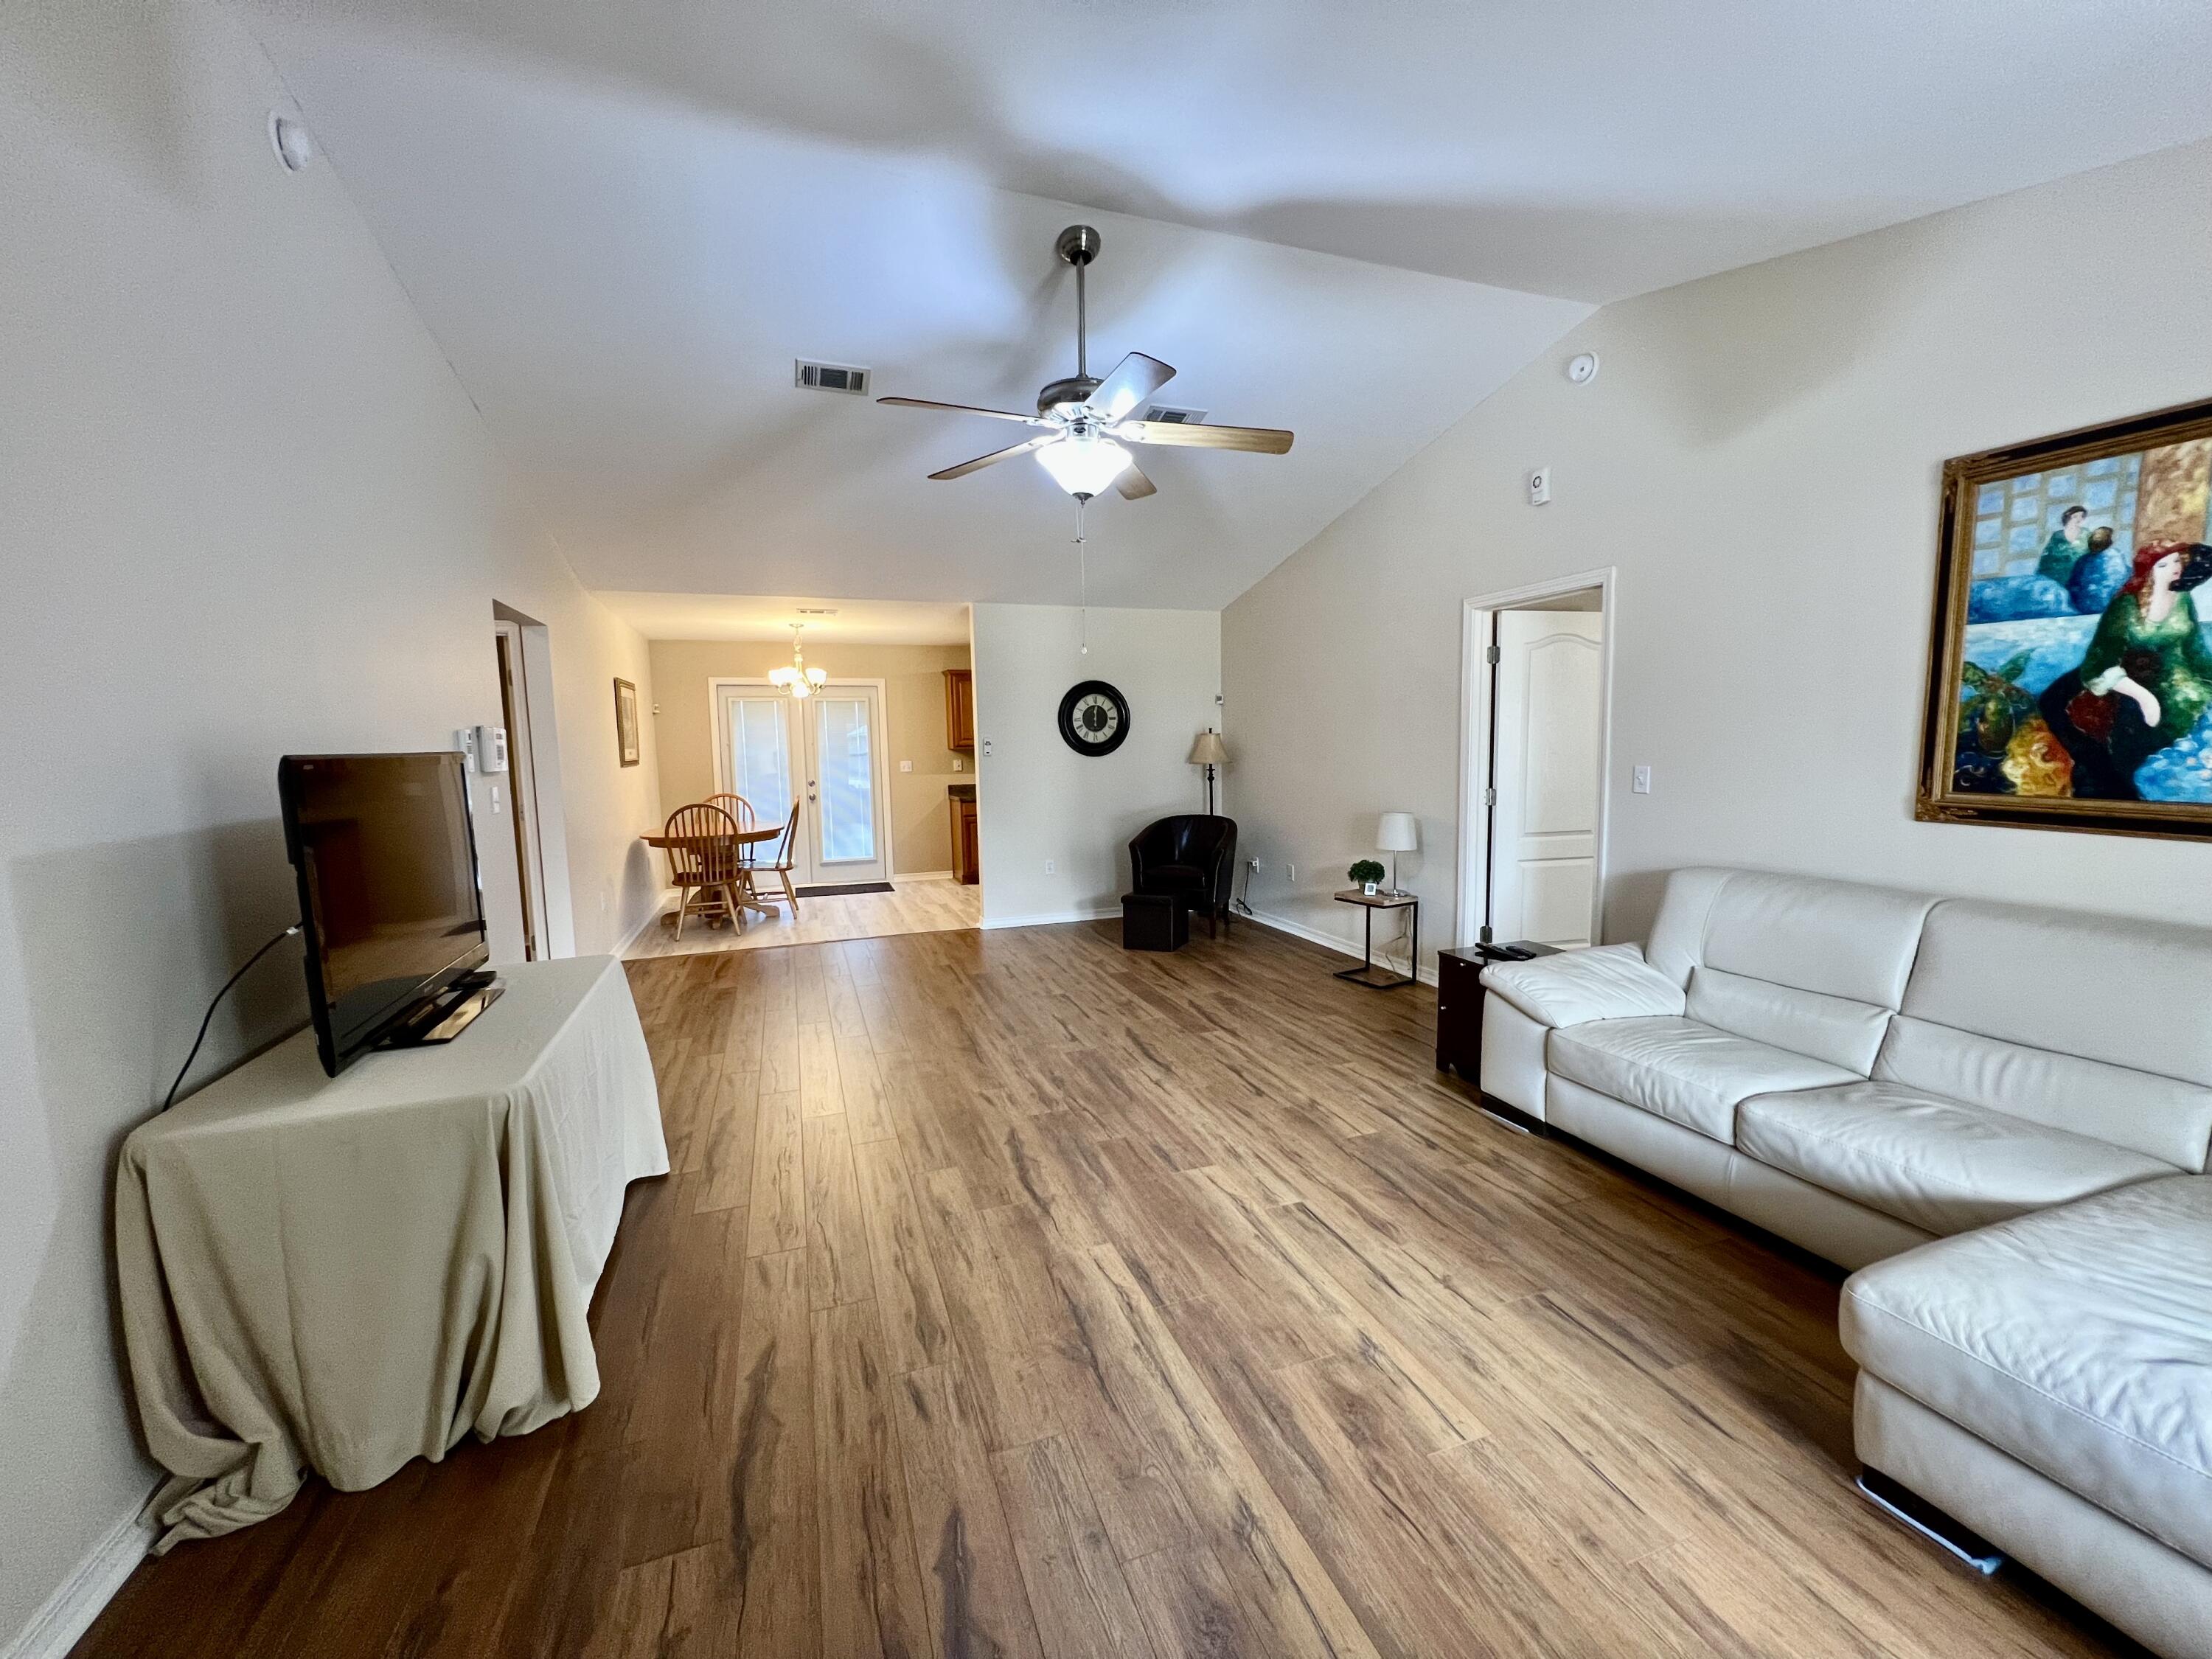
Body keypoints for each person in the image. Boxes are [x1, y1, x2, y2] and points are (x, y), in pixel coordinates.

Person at [2038, 541, 2212, 796]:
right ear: (2148, 571)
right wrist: (2144, 697)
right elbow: (2100, 662)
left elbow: (2196, 652)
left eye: (2177, 561)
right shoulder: (2126, 606)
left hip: (2180, 679)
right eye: (2163, 564)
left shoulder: (2183, 599)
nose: (2174, 568)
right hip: (2128, 676)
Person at [2037, 504, 2090, 583]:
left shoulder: (2086, 533)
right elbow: (2047, 557)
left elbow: (2092, 551)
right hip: (2058, 575)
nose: (2079, 519)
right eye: (2075, 516)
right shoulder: (2057, 536)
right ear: (2068, 517)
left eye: (2082, 516)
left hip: (2080, 575)